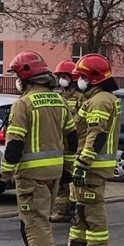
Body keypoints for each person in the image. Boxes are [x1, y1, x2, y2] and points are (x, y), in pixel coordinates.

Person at [0, 51, 73, 246]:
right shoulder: (59, 100)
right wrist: (68, 168)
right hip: (54, 173)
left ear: (25, 77)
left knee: (35, 225)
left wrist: (4, 176)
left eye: (16, 75)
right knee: (42, 222)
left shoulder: (24, 103)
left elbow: (15, 145)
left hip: (31, 176)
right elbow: (71, 138)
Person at [64, 53, 122, 246]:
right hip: (89, 163)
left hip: (93, 166)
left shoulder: (100, 101)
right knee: (80, 207)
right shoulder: (98, 99)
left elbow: (96, 134)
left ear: (92, 78)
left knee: (91, 208)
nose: (78, 80)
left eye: (81, 76)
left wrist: (82, 163)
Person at [50, 60, 80, 226]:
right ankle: (62, 211)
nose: (61, 80)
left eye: (64, 76)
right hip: (61, 145)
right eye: (59, 77)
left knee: (72, 181)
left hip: (74, 146)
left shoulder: (80, 98)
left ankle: (72, 210)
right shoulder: (59, 98)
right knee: (62, 181)